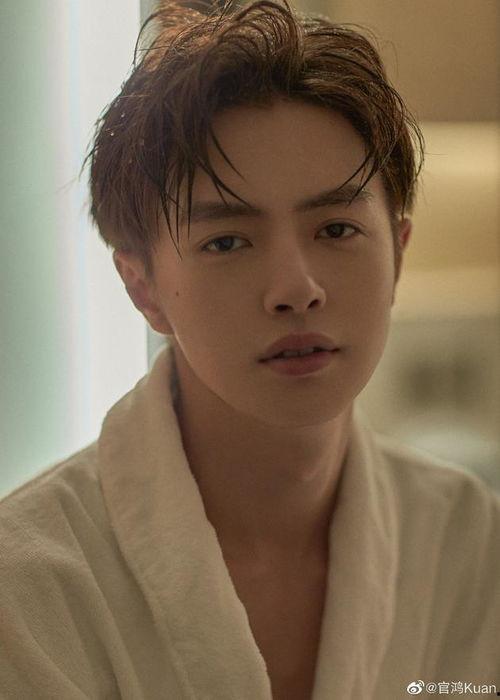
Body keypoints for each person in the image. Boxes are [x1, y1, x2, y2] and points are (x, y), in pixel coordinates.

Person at [1, 1, 499, 698]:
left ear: (399, 252)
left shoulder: (469, 540)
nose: (296, 290)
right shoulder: (28, 587)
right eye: (227, 241)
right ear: (142, 287)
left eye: (337, 230)